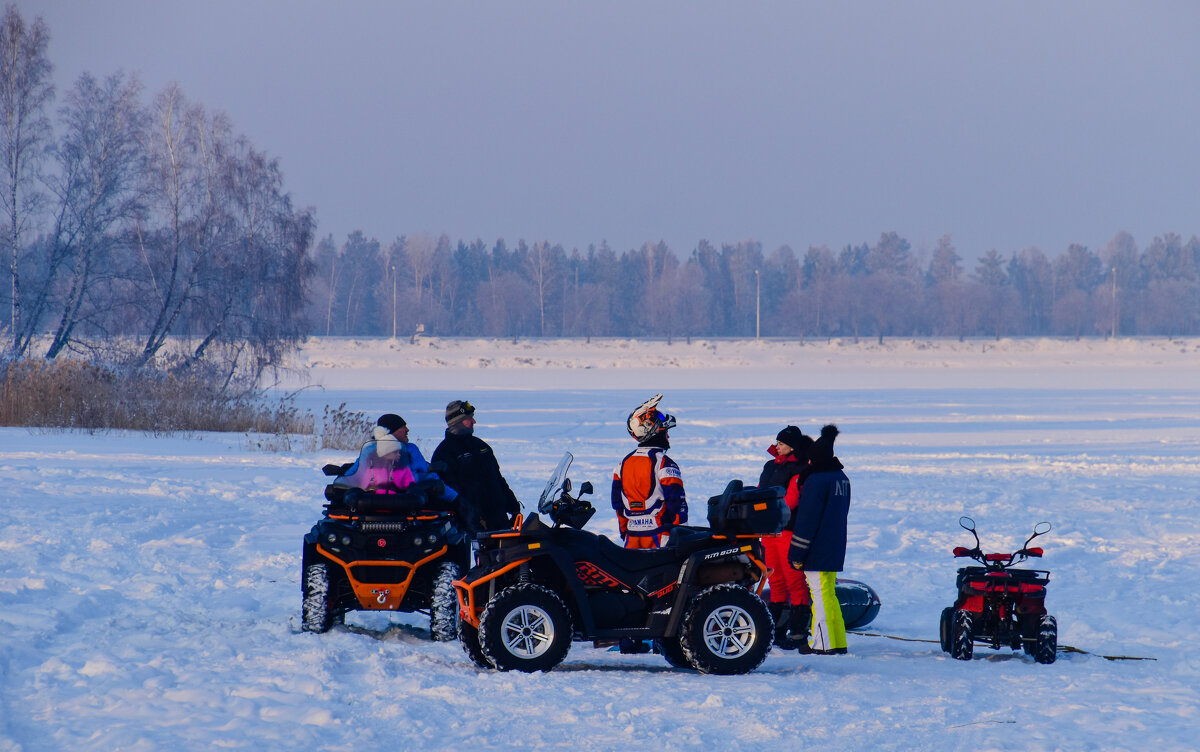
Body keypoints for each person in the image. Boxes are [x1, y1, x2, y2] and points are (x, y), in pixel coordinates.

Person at [788, 424, 850, 655]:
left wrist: (796, 554)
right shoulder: (841, 478)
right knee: (830, 595)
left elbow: (807, 520)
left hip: (817, 549)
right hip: (835, 546)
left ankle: (822, 644)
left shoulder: (816, 481)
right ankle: (837, 640)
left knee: (820, 596)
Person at [758, 425, 814, 650]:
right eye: (777, 443)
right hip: (768, 531)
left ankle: (799, 631)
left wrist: (768, 512)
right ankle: (777, 630)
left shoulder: (800, 468)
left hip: (787, 530)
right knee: (775, 579)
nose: (777, 446)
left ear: (791, 446)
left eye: (781, 443)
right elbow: (761, 490)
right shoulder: (770, 465)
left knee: (794, 580)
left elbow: (791, 500)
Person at [432, 400, 521, 534]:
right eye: (469, 419)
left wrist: (513, 506)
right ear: (457, 421)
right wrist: (472, 516)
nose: (474, 421)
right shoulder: (444, 453)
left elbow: (497, 478)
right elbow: (450, 491)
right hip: (473, 522)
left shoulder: (481, 447)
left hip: (498, 516)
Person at [611, 394, 688, 549]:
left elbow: (617, 505)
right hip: (661, 539)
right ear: (653, 430)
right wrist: (682, 534)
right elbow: (677, 503)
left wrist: (625, 533)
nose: (668, 436)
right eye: (665, 431)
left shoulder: (623, 464)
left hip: (631, 540)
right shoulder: (664, 463)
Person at [336, 413, 457, 506]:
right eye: (403, 427)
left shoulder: (371, 450)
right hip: (406, 503)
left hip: (375, 502)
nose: (407, 430)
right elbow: (424, 473)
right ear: (392, 431)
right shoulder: (410, 449)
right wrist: (454, 497)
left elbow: (355, 471)